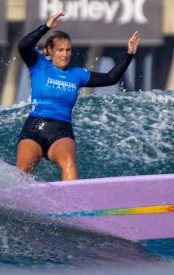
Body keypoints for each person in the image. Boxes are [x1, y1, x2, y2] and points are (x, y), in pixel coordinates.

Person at [16, 11, 140, 181]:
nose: (65, 54)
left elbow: (111, 78)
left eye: (68, 50)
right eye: (60, 50)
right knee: (23, 170)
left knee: (68, 161)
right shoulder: (39, 65)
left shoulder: (77, 74)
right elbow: (23, 46)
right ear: (50, 50)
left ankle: (70, 205)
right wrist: (45, 27)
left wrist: (129, 54)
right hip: (34, 127)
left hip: (60, 131)